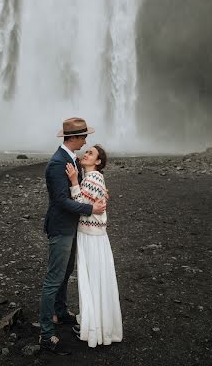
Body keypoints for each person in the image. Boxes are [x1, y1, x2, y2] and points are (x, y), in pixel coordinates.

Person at [39, 117, 106, 355]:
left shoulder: (70, 159)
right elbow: (61, 200)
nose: (86, 140)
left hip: (72, 227)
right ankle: (46, 333)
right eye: (84, 137)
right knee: (54, 278)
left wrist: (97, 191)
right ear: (75, 138)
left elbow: (84, 186)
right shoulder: (57, 163)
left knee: (65, 273)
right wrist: (91, 209)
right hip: (61, 227)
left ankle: (61, 312)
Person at [65, 144, 123, 348]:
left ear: (98, 162)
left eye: (90, 153)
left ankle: (93, 328)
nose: (85, 154)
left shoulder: (93, 178)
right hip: (94, 234)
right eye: (86, 151)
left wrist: (73, 181)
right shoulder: (92, 179)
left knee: (91, 281)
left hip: (91, 236)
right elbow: (92, 203)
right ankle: (99, 326)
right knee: (98, 280)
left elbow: (83, 205)